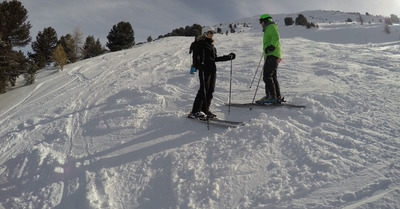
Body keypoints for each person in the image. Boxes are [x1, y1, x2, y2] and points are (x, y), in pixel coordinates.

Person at [189, 26, 236, 119]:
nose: (212, 34)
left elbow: (214, 59)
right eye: (210, 32)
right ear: (205, 33)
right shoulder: (199, 44)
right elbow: (195, 59)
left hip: (212, 70)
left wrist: (228, 57)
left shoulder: (212, 45)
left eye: (213, 33)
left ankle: (205, 109)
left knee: (210, 90)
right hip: (204, 69)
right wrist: (199, 66)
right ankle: (195, 111)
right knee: (203, 89)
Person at [258, 14, 283, 103]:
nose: (261, 23)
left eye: (261, 21)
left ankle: (272, 96)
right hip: (272, 54)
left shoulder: (271, 26)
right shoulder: (268, 28)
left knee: (267, 75)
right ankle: (276, 96)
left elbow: (276, 36)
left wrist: (271, 47)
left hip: (272, 54)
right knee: (272, 76)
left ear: (266, 20)